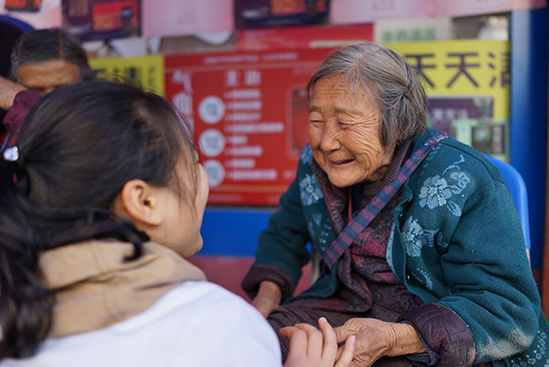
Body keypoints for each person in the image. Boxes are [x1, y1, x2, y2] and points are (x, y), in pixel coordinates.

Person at [0, 81, 354, 367]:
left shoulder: (14, 314)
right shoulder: (218, 327)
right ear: (144, 202)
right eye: (192, 163)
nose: (203, 178)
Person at [241, 42, 549, 367]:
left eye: (345, 123)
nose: (326, 142)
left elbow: (509, 310)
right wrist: (265, 300)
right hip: (347, 309)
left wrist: (391, 338)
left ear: (398, 123)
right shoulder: (315, 163)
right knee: (257, 343)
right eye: (316, 121)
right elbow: (284, 232)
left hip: (434, 328)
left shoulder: (465, 178)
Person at [1, 27, 93, 152]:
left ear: (85, 83)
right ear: (15, 84)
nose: (49, 99)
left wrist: (23, 103)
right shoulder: (7, 127)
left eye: (61, 88)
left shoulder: (110, 120)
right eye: (35, 90)